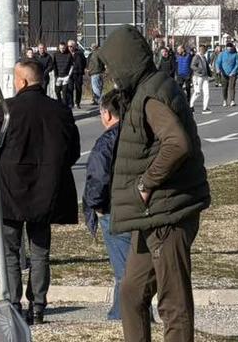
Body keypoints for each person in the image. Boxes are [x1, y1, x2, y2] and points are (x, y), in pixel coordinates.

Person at [97, 25, 210, 342]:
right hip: (153, 216)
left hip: (168, 213)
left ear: (126, 61)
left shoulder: (152, 95)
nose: (111, 74)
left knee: (173, 304)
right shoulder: (145, 89)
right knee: (131, 294)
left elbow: (177, 144)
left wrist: (146, 184)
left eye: (112, 66)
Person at [0, 59, 80, 325]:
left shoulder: (5, 110)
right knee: (40, 250)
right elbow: (73, 151)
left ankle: (12, 304)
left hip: (9, 190)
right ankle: (38, 305)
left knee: (10, 250)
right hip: (46, 191)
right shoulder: (60, 111)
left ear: (21, 82)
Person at [84, 90, 130, 321]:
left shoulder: (106, 141)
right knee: (136, 267)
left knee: (123, 269)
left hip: (114, 209)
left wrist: (95, 205)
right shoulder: (138, 134)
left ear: (107, 114)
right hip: (140, 206)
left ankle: (124, 316)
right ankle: (125, 311)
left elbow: (98, 177)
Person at [48, 42, 75, 108]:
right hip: (58, 76)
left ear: (65, 48)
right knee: (57, 91)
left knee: (64, 93)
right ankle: (59, 102)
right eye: (60, 48)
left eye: (63, 48)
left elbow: (72, 65)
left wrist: (69, 75)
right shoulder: (55, 54)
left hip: (66, 76)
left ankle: (64, 107)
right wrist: (53, 74)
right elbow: (53, 65)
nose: (62, 49)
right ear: (59, 48)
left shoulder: (69, 55)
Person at [216, 43, 238, 108]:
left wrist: (233, 72)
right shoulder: (222, 54)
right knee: (224, 87)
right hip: (224, 73)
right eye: (228, 48)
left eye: (231, 48)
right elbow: (218, 62)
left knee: (232, 87)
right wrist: (218, 69)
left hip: (232, 73)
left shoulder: (235, 54)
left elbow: (237, 64)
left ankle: (232, 100)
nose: (229, 49)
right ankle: (225, 100)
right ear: (226, 48)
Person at [189, 45, 212, 114]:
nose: (204, 51)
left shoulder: (204, 57)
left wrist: (209, 73)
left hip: (205, 77)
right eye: (202, 50)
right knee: (197, 92)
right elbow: (192, 66)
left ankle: (205, 108)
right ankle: (191, 106)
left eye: (204, 50)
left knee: (206, 92)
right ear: (200, 50)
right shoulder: (196, 57)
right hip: (197, 77)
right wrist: (199, 70)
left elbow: (206, 66)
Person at [68, 40, 87, 109]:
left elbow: (84, 62)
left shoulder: (80, 53)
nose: (69, 48)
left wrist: (82, 69)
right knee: (70, 88)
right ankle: (71, 103)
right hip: (70, 74)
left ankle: (77, 102)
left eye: (71, 46)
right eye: (68, 46)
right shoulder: (67, 53)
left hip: (78, 73)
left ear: (74, 46)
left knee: (78, 88)